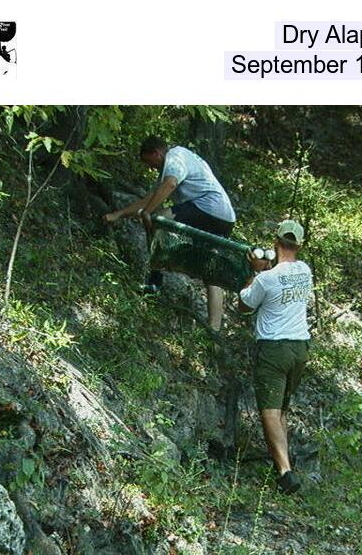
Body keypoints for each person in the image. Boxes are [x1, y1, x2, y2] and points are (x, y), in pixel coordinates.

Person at [103, 136, 237, 331]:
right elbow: (151, 198)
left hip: (208, 207)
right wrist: (119, 214)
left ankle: (155, 280)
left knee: (158, 220)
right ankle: (214, 330)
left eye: (150, 162)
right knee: (212, 271)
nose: (152, 168)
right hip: (225, 219)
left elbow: (170, 185)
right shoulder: (183, 160)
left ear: (157, 153)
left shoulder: (175, 156)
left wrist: (148, 213)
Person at [238, 219, 312, 494]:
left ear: (276, 241)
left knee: (269, 411)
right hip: (300, 348)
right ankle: (284, 462)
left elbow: (244, 305)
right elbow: (284, 278)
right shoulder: (305, 271)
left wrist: (255, 272)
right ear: (300, 245)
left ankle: (285, 472)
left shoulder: (266, 279)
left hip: (274, 349)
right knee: (281, 408)